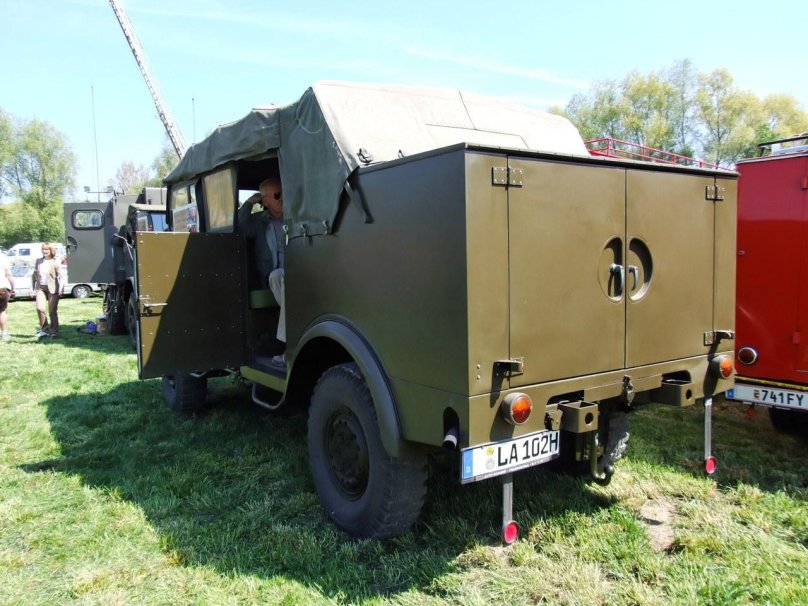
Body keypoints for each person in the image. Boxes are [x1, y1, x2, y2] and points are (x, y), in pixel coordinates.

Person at [238, 178, 287, 369]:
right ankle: (289, 346)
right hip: (275, 277)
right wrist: (250, 203)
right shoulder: (260, 222)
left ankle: (287, 344)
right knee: (278, 277)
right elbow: (240, 227)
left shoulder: (297, 214)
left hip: (302, 272)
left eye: (282, 193)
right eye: (276, 195)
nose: (281, 198)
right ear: (264, 201)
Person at [33, 243, 66, 338]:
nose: (45, 251)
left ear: (51, 251)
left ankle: (54, 331)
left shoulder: (55, 261)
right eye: (43, 249)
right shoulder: (38, 261)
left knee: (52, 311)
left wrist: (61, 288)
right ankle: (44, 329)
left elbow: (61, 276)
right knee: (40, 308)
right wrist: (31, 287)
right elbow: (34, 275)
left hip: (53, 289)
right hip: (41, 288)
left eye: (47, 249)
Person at [0, 253, 15, 341]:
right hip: (1, 287)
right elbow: (9, 274)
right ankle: (4, 333)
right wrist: (13, 287)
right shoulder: (3, 257)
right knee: (1, 311)